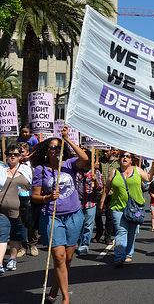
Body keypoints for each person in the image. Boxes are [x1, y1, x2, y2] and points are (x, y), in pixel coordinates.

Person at [31, 126, 89, 304]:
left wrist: (67, 140)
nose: (56, 150)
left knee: (69, 257)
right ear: (47, 152)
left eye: (59, 147)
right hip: (51, 217)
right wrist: (48, 197)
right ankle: (66, 297)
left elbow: (85, 158)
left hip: (74, 216)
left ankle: (56, 288)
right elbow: (34, 197)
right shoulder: (41, 170)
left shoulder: (69, 164)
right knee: (59, 257)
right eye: (53, 147)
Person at [100, 151, 154, 267]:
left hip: (135, 208)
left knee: (131, 232)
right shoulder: (114, 172)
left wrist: (153, 167)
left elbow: (148, 178)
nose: (125, 158)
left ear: (131, 160)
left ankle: (128, 254)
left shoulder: (137, 170)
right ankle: (119, 257)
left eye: (128, 156)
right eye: (122, 156)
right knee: (121, 231)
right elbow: (106, 188)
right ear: (119, 159)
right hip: (118, 207)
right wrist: (102, 202)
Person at [0, 145, 32, 273]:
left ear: (20, 157)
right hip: (2, 210)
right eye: (10, 154)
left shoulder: (28, 169)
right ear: (6, 156)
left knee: (16, 236)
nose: (12, 156)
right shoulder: (1, 170)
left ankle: (12, 259)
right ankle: (0, 262)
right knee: (2, 235)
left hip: (21, 211)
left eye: (16, 154)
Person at [75, 151, 103, 256]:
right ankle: (77, 241)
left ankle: (84, 245)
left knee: (88, 225)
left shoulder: (95, 172)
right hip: (77, 203)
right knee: (77, 225)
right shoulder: (76, 171)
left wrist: (95, 180)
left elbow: (100, 187)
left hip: (90, 204)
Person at [16, 142, 38, 258]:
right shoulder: (13, 165)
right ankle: (22, 246)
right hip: (17, 196)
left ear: (27, 152)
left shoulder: (32, 164)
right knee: (20, 222)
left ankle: (33, 244)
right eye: (18, 152)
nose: (20, 155)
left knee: (31, 221)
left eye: (22, 152)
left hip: (30, 196)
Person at [99, 147, 120, 245]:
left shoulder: (118, 162)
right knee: (98, 214)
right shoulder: (100, 162)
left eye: (106, 151)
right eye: (103, 151)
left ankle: (108, 236)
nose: (105, 153)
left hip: (113, 192)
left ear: (111, 151)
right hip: (101, 191)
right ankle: (99, 232)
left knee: (109, 216)